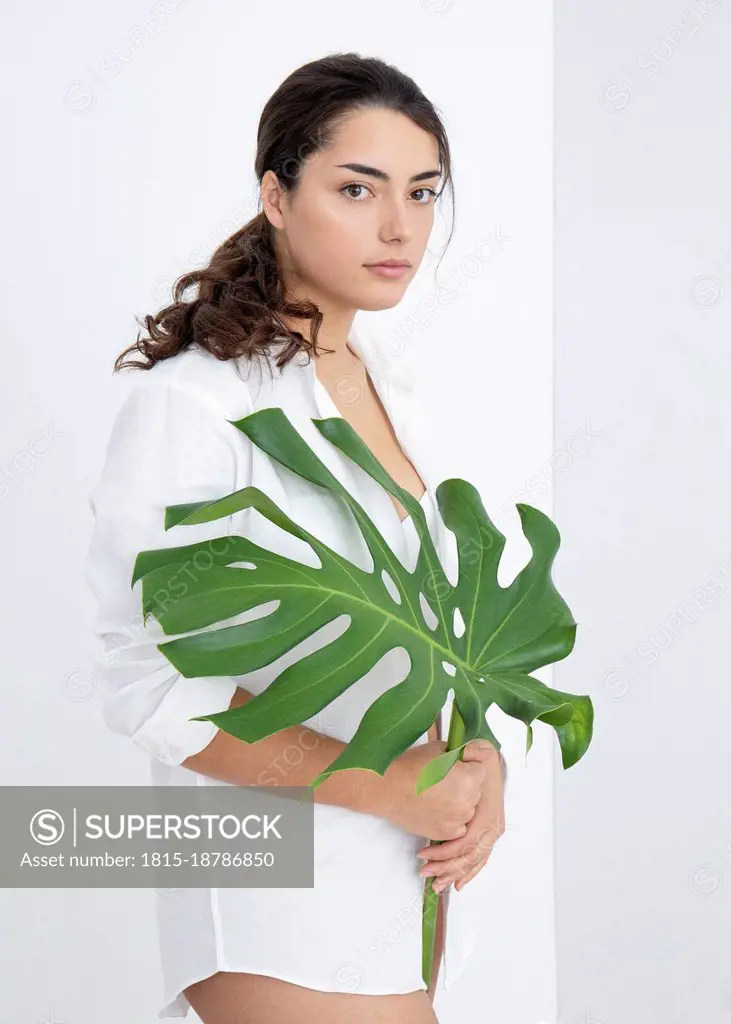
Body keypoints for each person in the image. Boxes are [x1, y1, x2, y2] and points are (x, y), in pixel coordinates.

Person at [85, 52, 506, 1024]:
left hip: (405, 889)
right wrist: (394, 788)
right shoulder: (195, 404)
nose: (399, 226)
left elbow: (437, 626)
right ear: (275, 194)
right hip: (274, 885)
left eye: (421, 192)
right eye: (355, 189)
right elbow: (152, 687)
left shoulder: (392, 390)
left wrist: (481, 770)